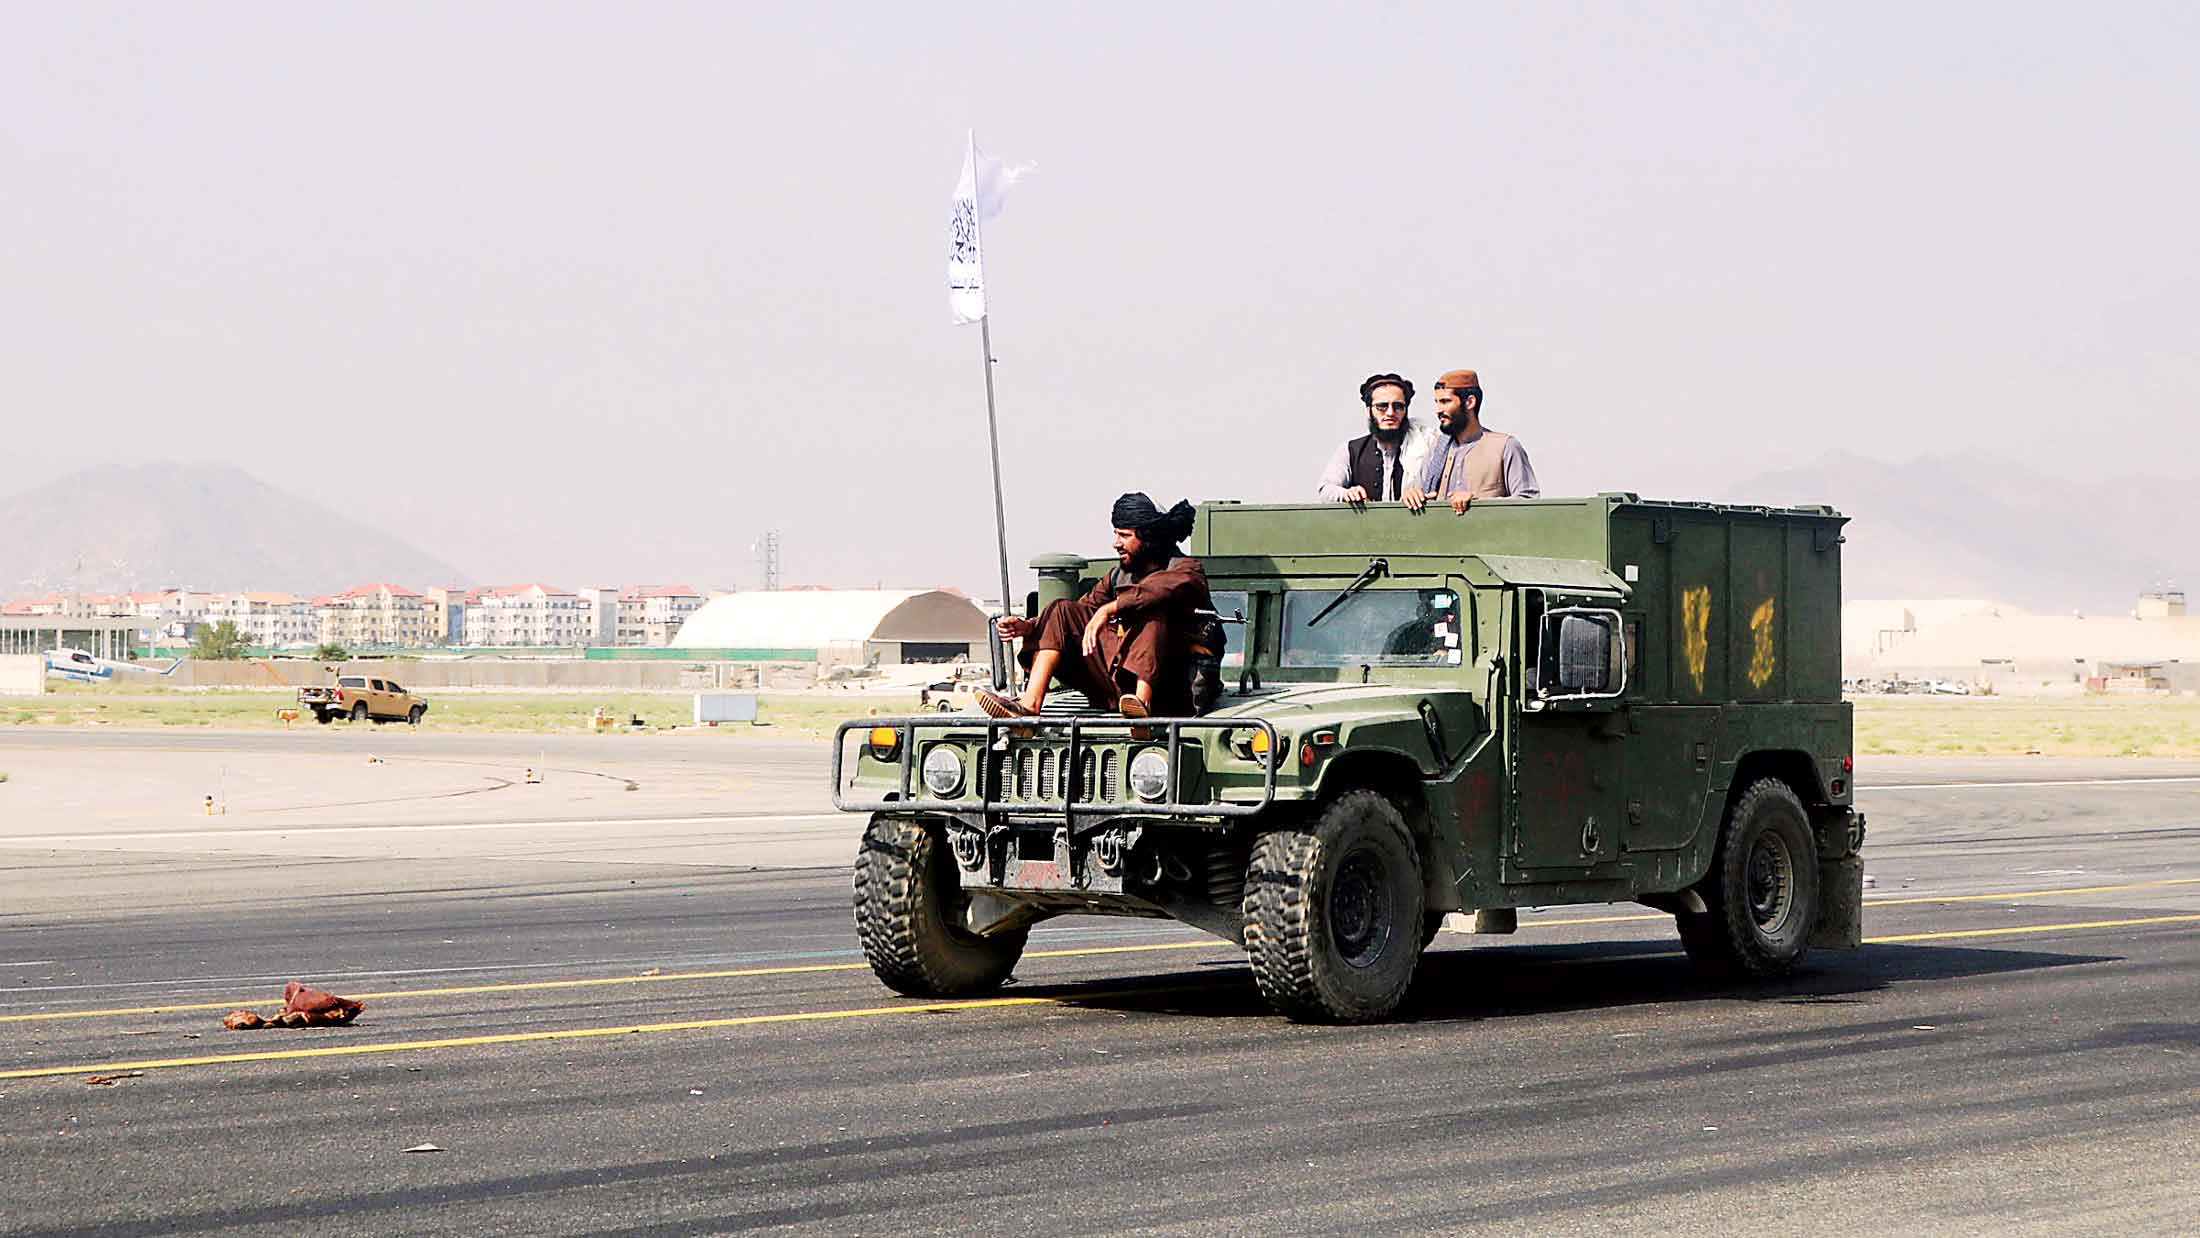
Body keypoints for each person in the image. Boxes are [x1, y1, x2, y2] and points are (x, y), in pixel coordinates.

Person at [979, 493, 1211, 722]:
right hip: (1118, 687)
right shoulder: (1119, 576)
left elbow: (1154, 591)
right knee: (1060, 610)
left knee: (1152, 611)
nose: (1116, 543)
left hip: (1172, 691)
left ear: (1149, 537)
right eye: (1115, 533)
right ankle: (1028, 708)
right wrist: (1029, 627)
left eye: (1124, 535)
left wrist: (1109, 609)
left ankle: (1143, 708)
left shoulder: (1187, 571)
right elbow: (1077, 615)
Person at [1403, 368, 1540, 514]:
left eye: (1445, 402)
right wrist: (1411, 493)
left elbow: (1528, 501)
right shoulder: (1438, 448)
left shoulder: (1504, 447)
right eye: (1437, 402)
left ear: (1469, 402)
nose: (1438, 410)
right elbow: (1415, 488)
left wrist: (1477, 502)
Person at [1316, 372, 1435, 503]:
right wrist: (1347, 493)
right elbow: (1325, 490)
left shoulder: (1425, 445)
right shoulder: (1351, 450)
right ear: (1368, 410)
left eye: (1398, 406)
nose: (1390, 413)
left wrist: (1418, 493)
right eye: (1382, 406)